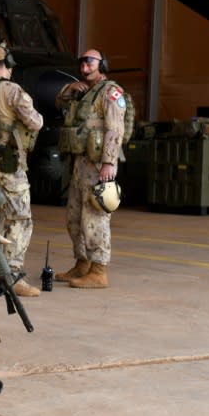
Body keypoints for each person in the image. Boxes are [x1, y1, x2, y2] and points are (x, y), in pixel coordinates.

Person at [0, 42, 43, 297]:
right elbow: (35, 122)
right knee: (20, 218)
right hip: (8, 164)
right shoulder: (11, 90)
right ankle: (13, 276)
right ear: (7, 65)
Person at [53, 49, 126, 289]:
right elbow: (57, 103)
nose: (85, 65)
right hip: (80, 163)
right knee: (74, 217)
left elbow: (115, 129)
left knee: (95, 216)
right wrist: (68, 89)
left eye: (90, 61)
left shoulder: (110, 93)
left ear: (102, 64)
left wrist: (108, 162)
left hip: (97, 165)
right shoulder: (81, 91)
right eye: (82, 61)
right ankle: (82, 263)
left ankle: (99, 270)